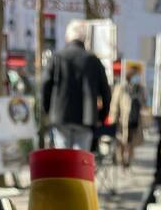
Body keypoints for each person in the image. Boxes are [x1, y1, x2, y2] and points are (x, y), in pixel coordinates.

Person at [42, 20, 111, 151]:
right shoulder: (93, 60)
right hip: (86, 118)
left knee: (63, 160)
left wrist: (48, 110)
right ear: (84, 39)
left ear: (67, 37)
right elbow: (106, 92)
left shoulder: (57, 58)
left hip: (60, 116)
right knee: (80, 161)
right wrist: (101, 116)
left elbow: (45, 86)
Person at [110, 64, 145, 167]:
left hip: (135, 120)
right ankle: (121, 160)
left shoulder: (140, 88)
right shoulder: (121, 87)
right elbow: (115, 104)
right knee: (121, 140)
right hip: (122, 119)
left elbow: (143, 102)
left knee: (131, 142)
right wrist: (113, 118)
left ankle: (128, 161)